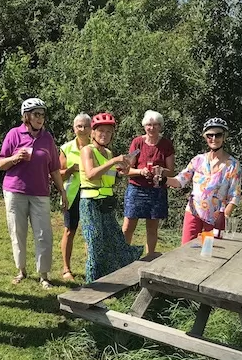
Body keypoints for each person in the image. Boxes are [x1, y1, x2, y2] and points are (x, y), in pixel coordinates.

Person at [0, 98, 68, 289]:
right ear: (26, 116)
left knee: (44, 233)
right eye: (36, 114)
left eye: (42, 114)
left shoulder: (47, 138)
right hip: (15, 190)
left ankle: (44, 275)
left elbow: (54, 168)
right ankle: (21, 270)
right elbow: (0, 163)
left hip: (40, 193)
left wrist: (62, 191)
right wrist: (15, 158)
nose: (40, 118)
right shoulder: (13, 134)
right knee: (18, 232)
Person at [79, 112, 143, 283]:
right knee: (95, 243)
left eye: (109, 132)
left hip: (106, 202)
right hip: (90, 202)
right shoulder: (87, 150)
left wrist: (122, 169)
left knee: (116, 240)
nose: (105, 135)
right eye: (101, 131)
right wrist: (113, 161)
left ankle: (114, 278)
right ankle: (92, 284)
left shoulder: (108, 153)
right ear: (92, 132)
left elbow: (110, 176)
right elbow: (91, 174)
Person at [157, 118, 241, 244]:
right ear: (205, 137)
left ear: (225, 137)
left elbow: (235, 195)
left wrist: (225, 216)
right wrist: (163, 180)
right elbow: (180, 180)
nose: (214, 138)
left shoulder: (233, 165)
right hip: (193, 212)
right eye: (209, 135)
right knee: (185, 251)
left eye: (218, 135)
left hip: (215, 218)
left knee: (210, 255)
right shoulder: (198, 160)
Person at [122, 110, 175, 254]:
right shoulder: (137, 143)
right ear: (144, 126)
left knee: (152, 228)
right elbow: (127, 169)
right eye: (149, 125)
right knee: (128, 226)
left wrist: (161, 170)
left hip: (157, 190)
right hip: (136, 189)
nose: (152, 128)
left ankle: (150, 257)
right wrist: (141, 171)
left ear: (161, 126)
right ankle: (123, 256)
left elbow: (171, 171)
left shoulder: (166, 144)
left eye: (156, 125)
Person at [59, 113, 91, 281]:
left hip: (91, 193)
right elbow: (58, 175)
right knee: (70, 230)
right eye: (79, 126)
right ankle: (66, 269)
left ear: (91, 128)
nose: (83, 129)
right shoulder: (66, 148)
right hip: (72, 194)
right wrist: (71, 170)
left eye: (86, 126)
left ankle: (91, 267)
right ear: (74, 128)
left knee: (91, 231)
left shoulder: (96, 147)